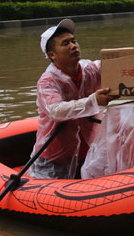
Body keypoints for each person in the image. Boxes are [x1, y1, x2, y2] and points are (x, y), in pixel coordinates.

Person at [31, 18, 116, 179]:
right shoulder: (48, 81)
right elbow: (57, 111)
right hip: (55, 158)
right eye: (65, 44)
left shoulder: (90, 69)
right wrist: (94, 101)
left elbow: (115, 66)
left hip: (90, 153)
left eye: (74, 41)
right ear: (52, 55)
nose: (73, 46)